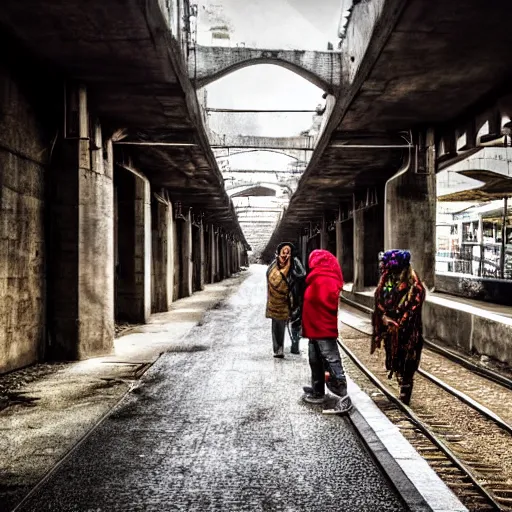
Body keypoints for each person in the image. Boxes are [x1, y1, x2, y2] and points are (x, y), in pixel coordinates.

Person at [371, 249, 426, 405]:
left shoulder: (415, 285)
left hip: (409, 331)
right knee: (394, 359)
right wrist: (384, 318)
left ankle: (406, 388)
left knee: (408, 359)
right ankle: (402, 380)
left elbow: (413, 308)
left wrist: (399, 323)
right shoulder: (385, 280)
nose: (389, 273)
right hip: (391, 329)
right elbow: (379, 301)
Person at [301, 249, 352, 414]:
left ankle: (344, 396)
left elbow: (326, 302)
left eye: (313, 260)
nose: (311, 263)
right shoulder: (317, 277)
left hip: (322, 328)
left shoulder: (326, 279)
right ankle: (318, 390)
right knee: (314, 360)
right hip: (314, 328)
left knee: (331, 360)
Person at [265, 242, 306, 357]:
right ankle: (278, 349)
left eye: (288, 252)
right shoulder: (274, 264)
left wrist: (291, 267)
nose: (286, 254)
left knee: (296, 321)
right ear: (279, 252)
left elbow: (302, 275)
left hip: (293, 297)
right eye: (284, 251)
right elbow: (270, 277)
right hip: (277, 301)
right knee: (277, 325)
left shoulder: (295, 262)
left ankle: (295, 345)